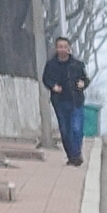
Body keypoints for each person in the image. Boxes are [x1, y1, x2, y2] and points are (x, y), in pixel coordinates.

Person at [41, 36, 87, 164]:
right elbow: (46, 79)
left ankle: (76, 155)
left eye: (65, 47)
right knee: (65, 130)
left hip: (76, 101)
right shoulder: (51, 65)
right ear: (56, 49)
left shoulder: (77, 65)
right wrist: (53, 86)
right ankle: (71, 156)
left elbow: (85, 79)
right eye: (60, 47)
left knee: (76, 128)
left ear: (69, 48)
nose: (62, 49)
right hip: (60, 101)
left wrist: (83, 84)